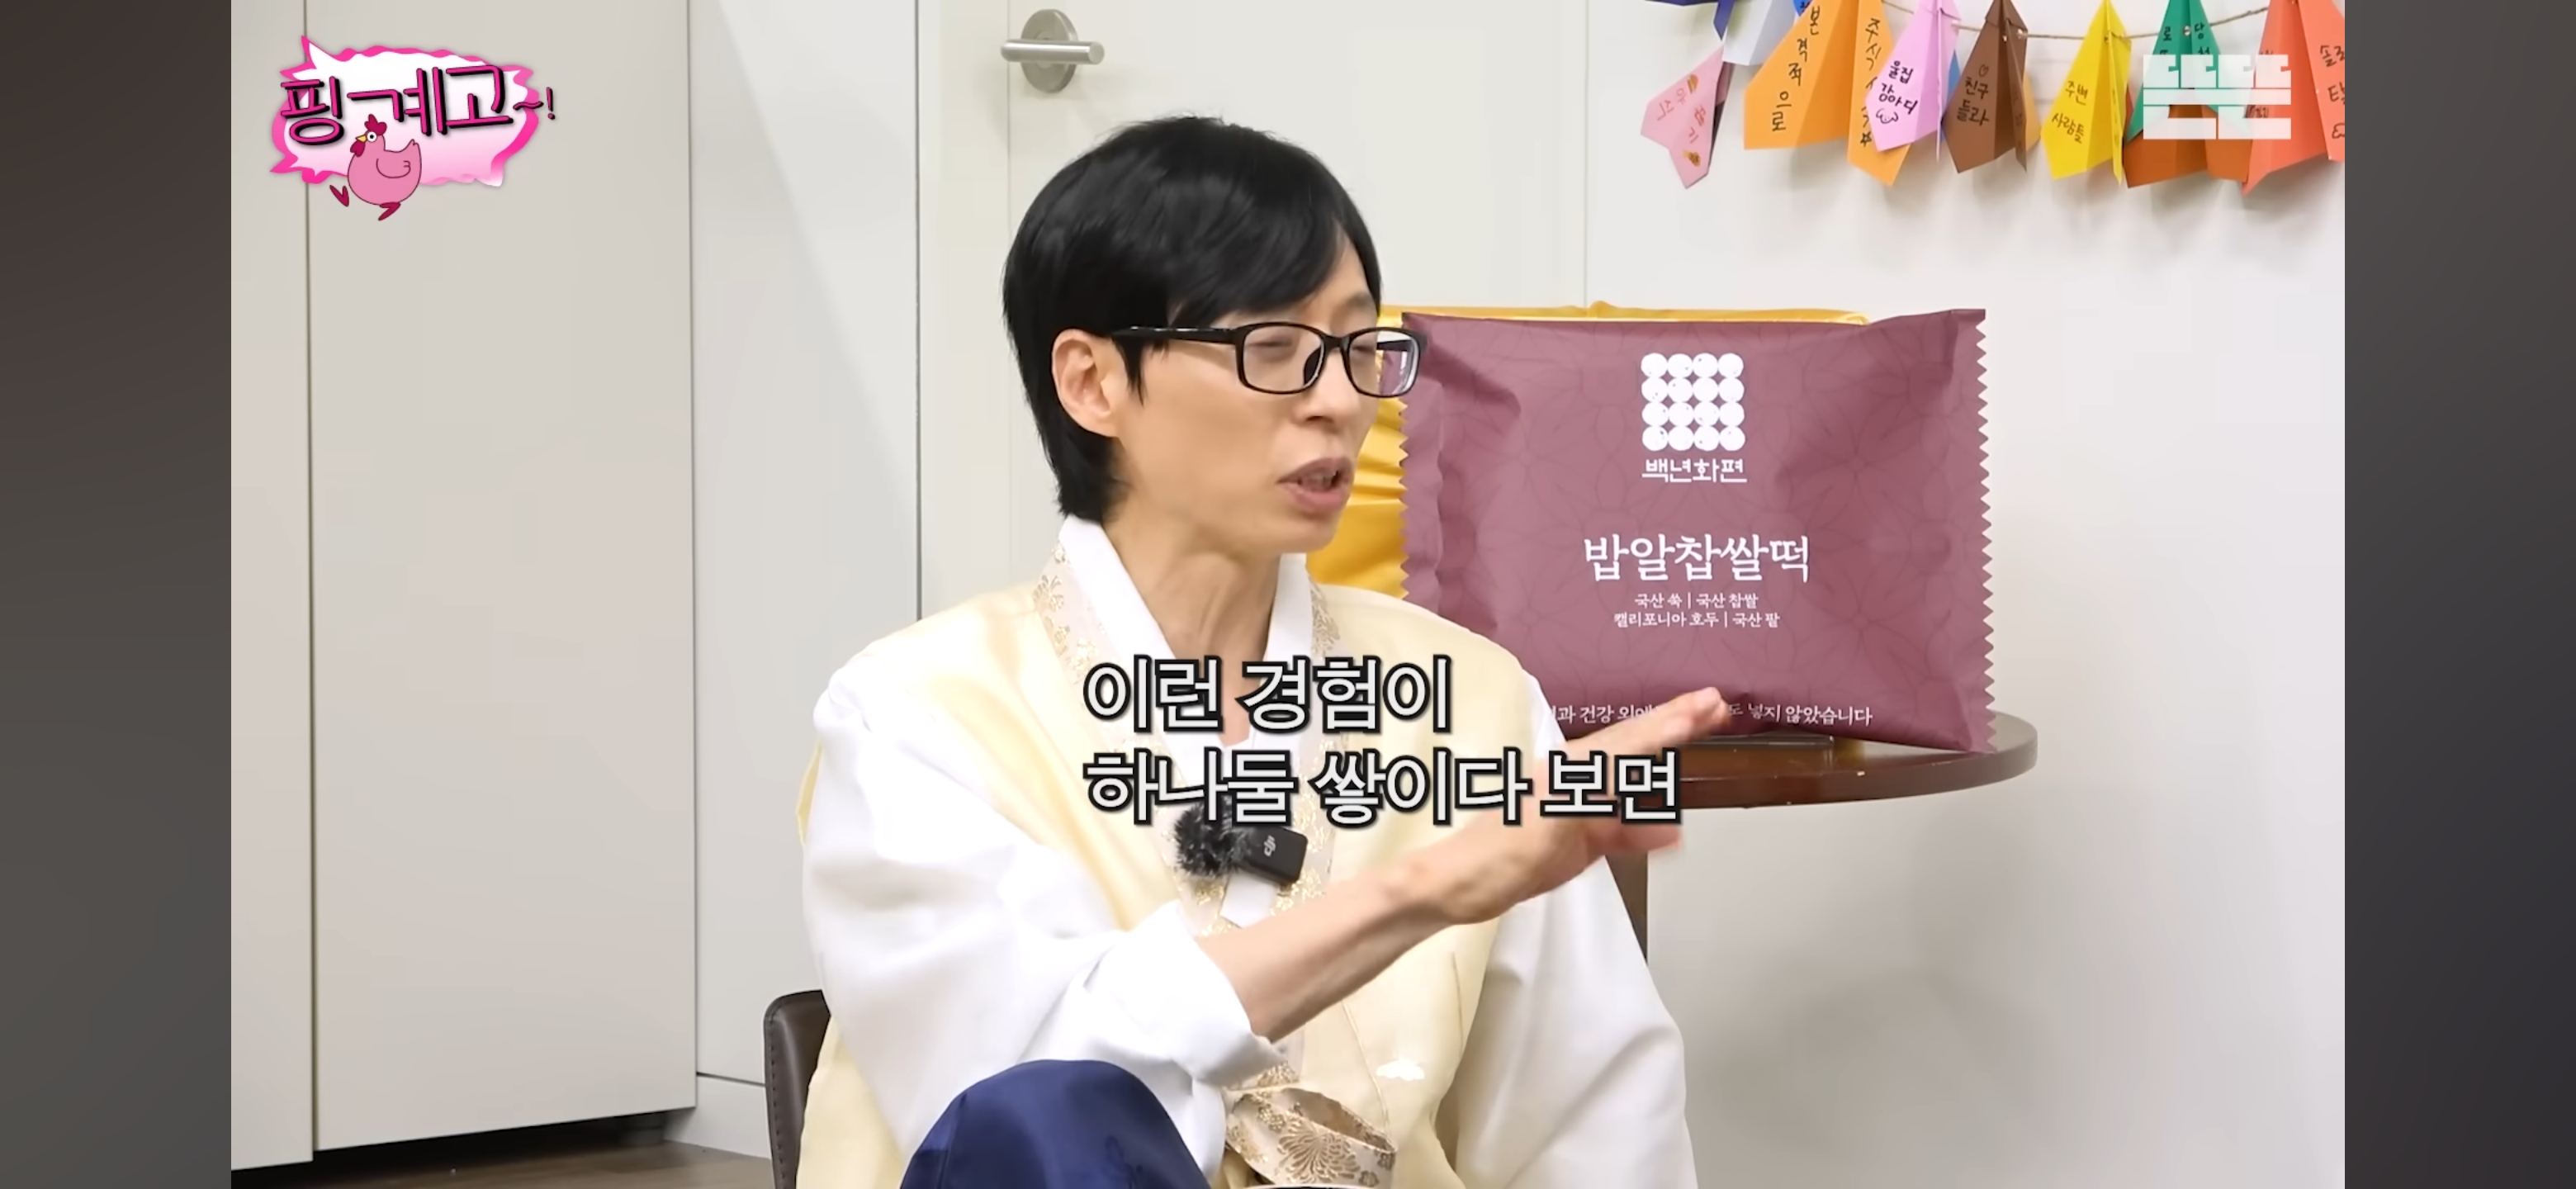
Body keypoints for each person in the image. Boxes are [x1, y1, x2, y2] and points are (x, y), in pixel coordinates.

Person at [795, 116, 1727, 1188]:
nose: (1339, 402)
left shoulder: (1475, 698)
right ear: (1094, 382)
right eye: (1273, 350)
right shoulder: (919, 715)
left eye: (1360, 347)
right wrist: (1430, 886)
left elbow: (1595, 1120)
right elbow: (1028, 1109)